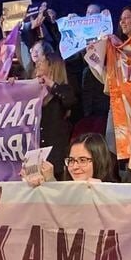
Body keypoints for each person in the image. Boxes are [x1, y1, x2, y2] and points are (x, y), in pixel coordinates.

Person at [30, 41, 77, 179]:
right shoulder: (32, 94)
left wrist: (51, 84)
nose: (37, 65)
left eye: (41, 63)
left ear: (52, 67)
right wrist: (13, 87)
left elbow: (70, 100)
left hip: (55, 156)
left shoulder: (62, 91)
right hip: (35, 153)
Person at [25, 132, 119, 186]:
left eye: (82, 160)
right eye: (71, 160)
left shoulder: (116, 194)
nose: (74, 167)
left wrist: (102, 191)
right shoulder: (68, 191)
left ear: (99, 161)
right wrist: (48, 181)